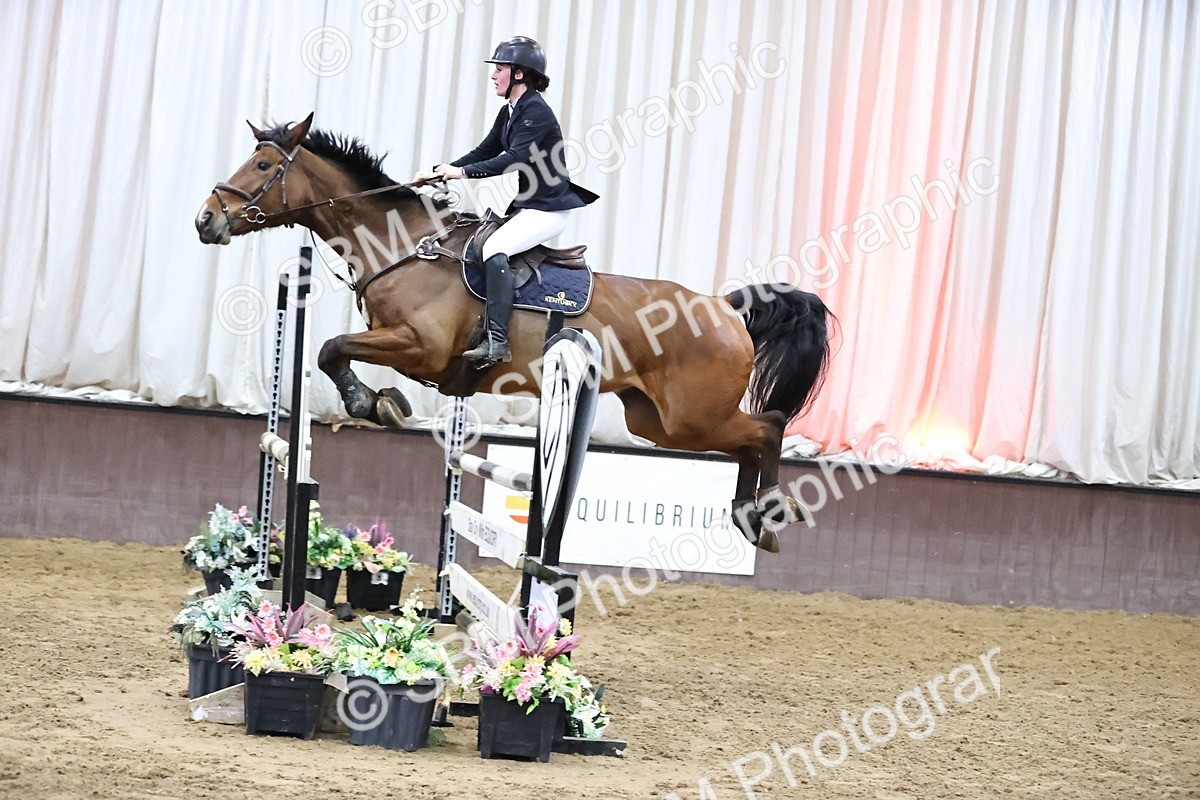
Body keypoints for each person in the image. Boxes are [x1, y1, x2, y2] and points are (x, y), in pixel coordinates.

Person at [413, 36, 596, 367]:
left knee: (493, 248)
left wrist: (462, 173)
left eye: (500, 69)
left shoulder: (536, 112)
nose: (494, 75)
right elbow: (485, 151)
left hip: (549, 209)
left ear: (520, 74)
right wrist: (441, 171)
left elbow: (513, 159)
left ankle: (498, 341)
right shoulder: (510, 111)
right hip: (529, 205)